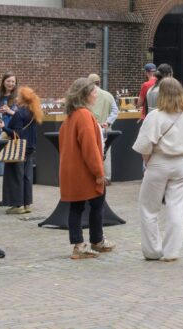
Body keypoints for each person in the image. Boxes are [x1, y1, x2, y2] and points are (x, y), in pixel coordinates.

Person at [133, 78, 183, 262]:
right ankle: (171, 251)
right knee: (177, 207)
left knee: (149, 208)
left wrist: (148, 163)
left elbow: (144, 146)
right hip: (182, 163)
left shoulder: (155, 116)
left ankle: (152, 250)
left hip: (159, 162)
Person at [58, 77, 113, 260]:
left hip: (73, 169)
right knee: (96, 202)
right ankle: (91, 242)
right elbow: (90, 147)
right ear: (85, 94)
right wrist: (99, 172)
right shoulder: (83, 115)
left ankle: (84, 243)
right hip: (84, 171)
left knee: (78, 206)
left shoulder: (72, 115)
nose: (96, 93)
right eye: (94, 91)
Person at [2, 86, 44, 214]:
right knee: (27, 176)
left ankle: (17, 205)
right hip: (31, 146)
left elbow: (17, 132)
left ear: (23, 98)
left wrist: (4, 128)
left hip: (20, 147)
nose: (17, 98)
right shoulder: (34, 111)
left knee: (16, 175)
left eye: (19, 96)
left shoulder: (20, 113)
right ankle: (27, 204)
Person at [88, 73, 119, 183]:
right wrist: (108, 122)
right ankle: (107, 177)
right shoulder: (108, 95)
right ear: (99, 82)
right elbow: (115, 111)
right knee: (106, 152)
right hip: (105, 128)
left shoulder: (87, 95)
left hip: (91, 128)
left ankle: (96, 176)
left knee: (92, 152)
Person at [0, 72, 17, 178]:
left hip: (14, 131)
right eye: (8, 81)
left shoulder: (19, 98)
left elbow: (24, 117)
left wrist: (10, 111)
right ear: (3, 82)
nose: (11, 84)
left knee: (13, 156)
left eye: (13, 81)